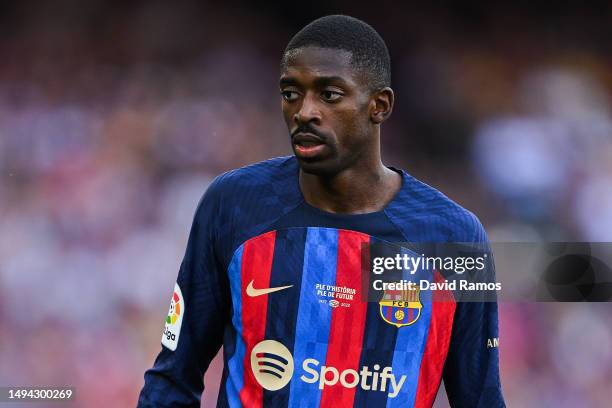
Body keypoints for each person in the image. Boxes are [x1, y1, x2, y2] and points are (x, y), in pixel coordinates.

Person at [138, 15, 505, 407]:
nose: (304, 112)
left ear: (379, 105)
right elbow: (172, 379)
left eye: (329, 95)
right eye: (291, 93)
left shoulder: (453, 238)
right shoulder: (235, 204)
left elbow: (479, 398)